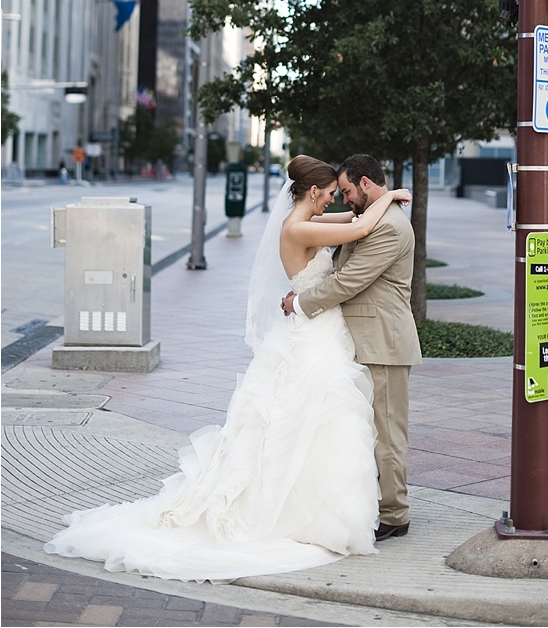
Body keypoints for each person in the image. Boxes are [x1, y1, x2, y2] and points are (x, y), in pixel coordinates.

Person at [44, 155, 411, 583]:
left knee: (320, 422)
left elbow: (354, 221)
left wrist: (380, 201)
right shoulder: (297, 226)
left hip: (323, 331)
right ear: (314, 192)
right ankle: (313, 512)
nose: (336, 202)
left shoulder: (312, 221)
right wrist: (394, 197)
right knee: (307, 420)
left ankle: (345, 508)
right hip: (314, 331)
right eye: (331, 194)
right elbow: (359, 227)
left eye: (342, 194)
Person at [282, 154, 422, 542]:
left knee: (387, 431)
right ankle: (376, 503)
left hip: (383, 342)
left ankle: (395, 514)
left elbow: (349, 282)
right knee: (366, 429)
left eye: (345, 191)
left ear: (364, 184)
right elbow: (350, 233)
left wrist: (301, 303)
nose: (342, 199)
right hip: (362, 339)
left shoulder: (389, 227)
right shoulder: (375, 217)